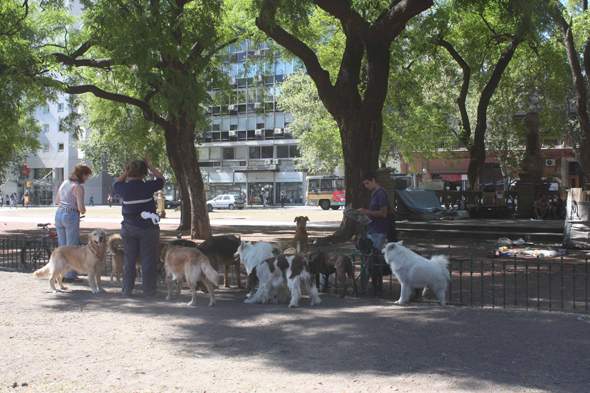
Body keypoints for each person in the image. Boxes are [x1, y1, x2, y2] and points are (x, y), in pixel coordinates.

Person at [114, 157, 165, 298]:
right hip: (147, 227)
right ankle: (149, 292)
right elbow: (161, 180)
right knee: (148, 260)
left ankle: (126, 290)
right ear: (144, 173)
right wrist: (151, 166)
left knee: (129, 259)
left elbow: (116, 184)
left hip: (129, 226)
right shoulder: (148, 186)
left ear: (129, 172)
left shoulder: (124, 188)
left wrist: (125, 173)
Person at [55, 163, 93, 282]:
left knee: (62, 246)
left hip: (59, 213)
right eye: (86, 176)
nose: (86, 179)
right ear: (82, 174)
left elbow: (57, 201)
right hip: (70, 215)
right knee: (71, 246)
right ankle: (70, 275)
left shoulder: (64, 183)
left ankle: (61, 273)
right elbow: (80, 207)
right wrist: (84, 210)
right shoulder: (78, 187)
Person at [357, 171, 391, 250]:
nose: (366, 186)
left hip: (379, 230)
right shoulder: (374, 193)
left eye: (367, 183)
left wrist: (367, 211)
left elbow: (383, 213)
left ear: (373, 180)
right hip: (373, 228)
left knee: (375, 255)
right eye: (365, 184)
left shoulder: (381, 194)